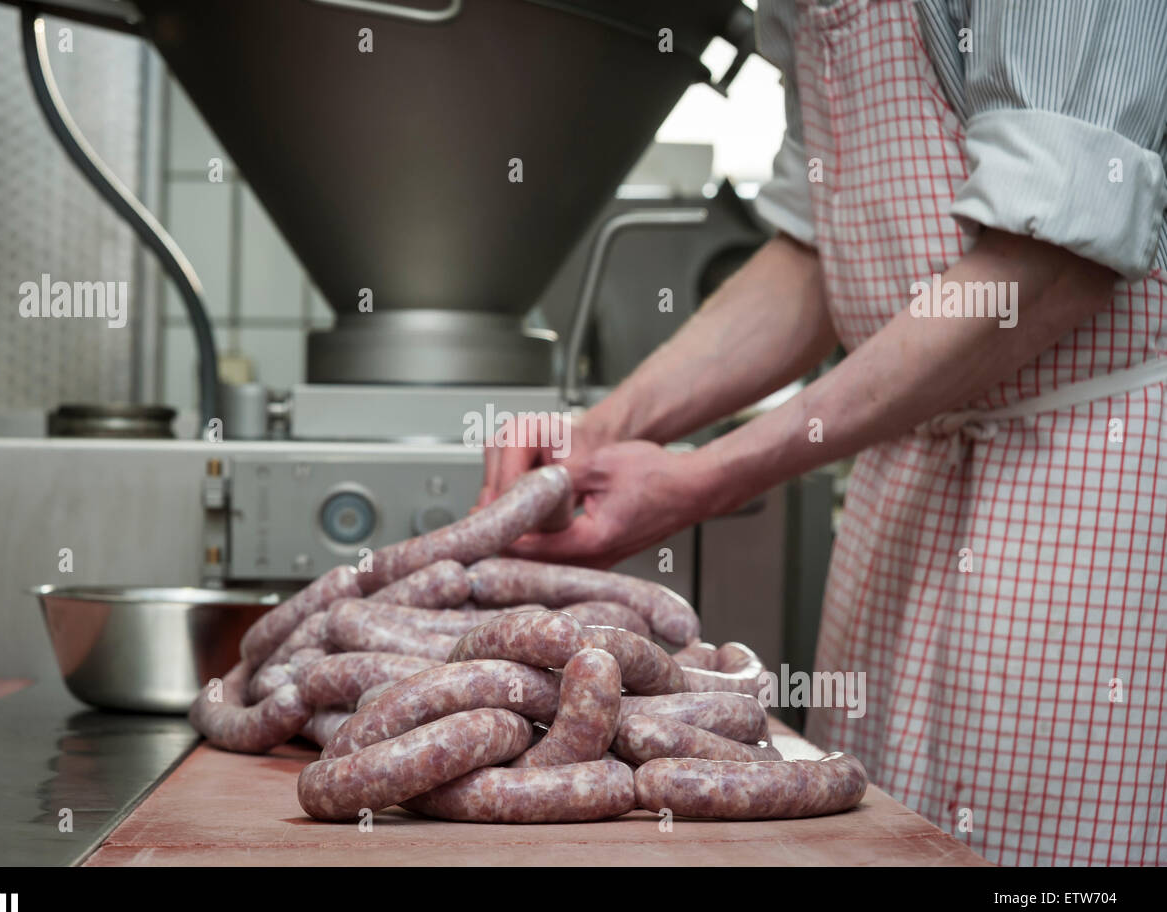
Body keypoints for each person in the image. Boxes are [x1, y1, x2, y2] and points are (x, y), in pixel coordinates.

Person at [477, 0, 1167, 866]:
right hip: (905, 489)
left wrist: (708, 477)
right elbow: (815, 256)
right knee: (873, 835)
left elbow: (1045, 262)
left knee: (1047, 875)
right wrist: (601, 427)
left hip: (1082, 486)